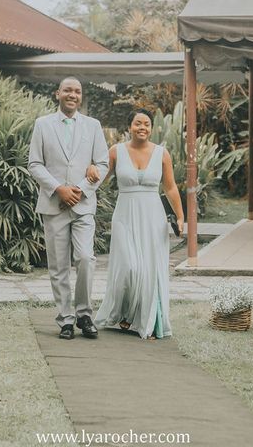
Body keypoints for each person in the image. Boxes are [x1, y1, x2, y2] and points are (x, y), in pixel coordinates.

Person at [28, 76, 109, 340]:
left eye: (77, 91)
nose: (72, 94)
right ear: (57, 94)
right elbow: (35, 164)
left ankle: (85, 314)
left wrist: (80, 190)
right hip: (53, 205)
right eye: (67, 90)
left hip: (83, 205)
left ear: (81, 96)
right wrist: (58, 189)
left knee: (85, 258)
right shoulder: (42, 125)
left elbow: (102, 164)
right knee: (59, 265)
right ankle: (65, 319)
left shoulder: (93, 126)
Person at [93, 109, 184, 339]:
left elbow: (170, 187)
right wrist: (89, 173)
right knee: (128, 267)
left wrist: (181, 216)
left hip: (153, 217)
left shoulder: (162, 154)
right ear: (130, 126)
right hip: (125, 215)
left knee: (149, 270)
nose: (142, 127)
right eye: (137, 123)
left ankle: (149, 319)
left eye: (146, 124)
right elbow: (99, 181)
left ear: (151, 128)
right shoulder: (116, 151)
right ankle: (124, 311)